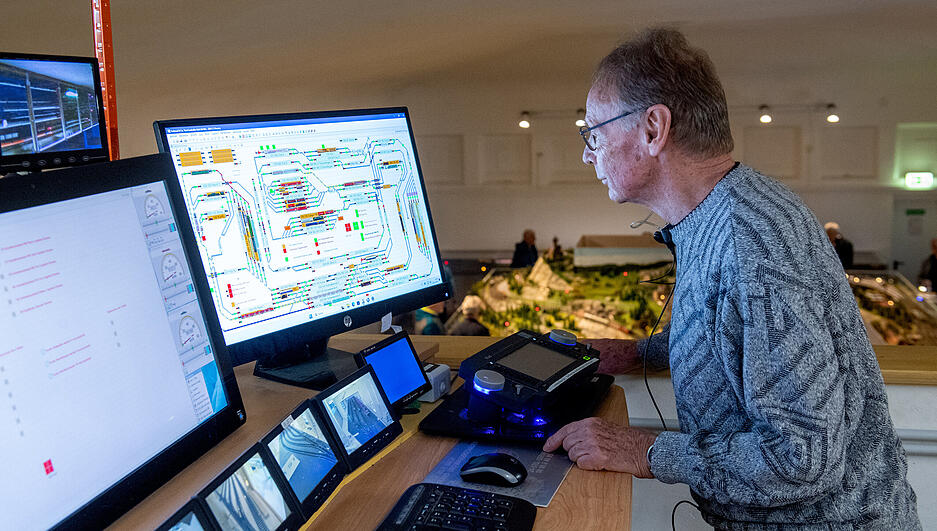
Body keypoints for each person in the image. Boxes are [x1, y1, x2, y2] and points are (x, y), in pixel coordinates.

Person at [543, 27, 919, 529]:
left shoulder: (750, 245)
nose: (589, 153)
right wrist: (641, 352)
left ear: (654, 129)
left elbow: (801, 460)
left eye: (595, 132)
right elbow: (743, 339)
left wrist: (643, 450)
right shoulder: (730, 210)